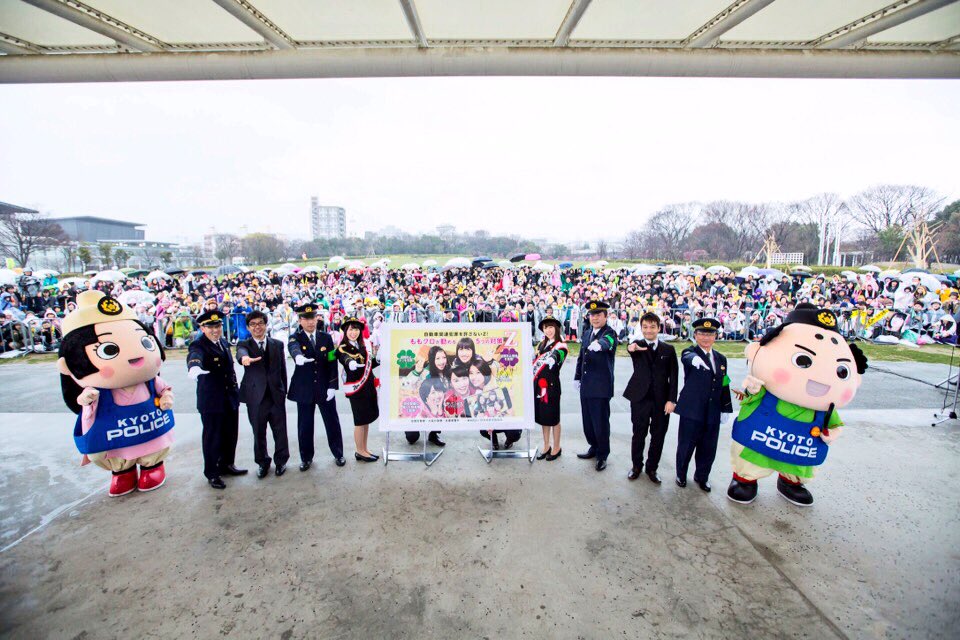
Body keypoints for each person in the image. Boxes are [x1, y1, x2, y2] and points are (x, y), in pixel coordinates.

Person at [187, 309, 246, 490]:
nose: (215, 330)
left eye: (218, 326)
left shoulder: (223, 343)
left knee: (230, 434)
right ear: (202, 328)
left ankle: (227, 464)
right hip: (212, 400)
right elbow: (194, 358)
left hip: (229, 397)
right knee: (213, 437)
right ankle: (212, 473)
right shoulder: (199, 345)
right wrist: (194, 369)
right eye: (210, 327)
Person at [673, 317, 733, 492]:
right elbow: (686, 357)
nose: (706, 338)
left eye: (710, 334)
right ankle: (681, 474)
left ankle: (702, 476)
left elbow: (724, 383)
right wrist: (694, 360)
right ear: (696, 335)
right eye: (701, 334)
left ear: (715, 336)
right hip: (692, 410)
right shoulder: (689, 352)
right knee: (686, 444)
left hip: (712, 411)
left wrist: (725, 407)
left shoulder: (721, 359)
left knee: (708, 447)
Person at [287, 302, 345, 470]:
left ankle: (338, 453)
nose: (310, 322)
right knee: (305, 425)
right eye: (306, 319)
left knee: (332, 422)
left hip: (324, 387)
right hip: (304, 389)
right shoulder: (295, 337)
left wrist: (333, 386)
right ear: (299, 321)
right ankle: (306, 458)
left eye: (312, 318)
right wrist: (297, 356)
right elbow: (293, 347)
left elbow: (332, 361)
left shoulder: (326, 338)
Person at [623, 312, 678, 484]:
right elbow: (630, 349)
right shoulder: (637, 346)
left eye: (652, 327)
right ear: (641, 328)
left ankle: (652, 468)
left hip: (661, 400)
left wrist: (672, 400)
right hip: (640, 398)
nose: (649, 330)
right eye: (645, 327)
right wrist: (630, 348)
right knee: (638, 433)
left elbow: (674, 377)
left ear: (658, 328)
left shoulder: (668, 350)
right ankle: (636, 466)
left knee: (658, 435)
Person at [237, 310, 290, 479]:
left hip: (276, 395)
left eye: (260, 323)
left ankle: (281, 461)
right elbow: (241, 355)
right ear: (248, 327)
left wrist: (284, 391)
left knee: (280, 430)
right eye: (253, 324)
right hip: (255, 397)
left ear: (266, 325)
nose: (257, 327)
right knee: (258, 432)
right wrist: (244, 359)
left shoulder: (277, 344)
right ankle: (262, 462)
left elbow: (282, 370)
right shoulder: (244, 344)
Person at [575, 300, 617, 471]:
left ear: (606, 316)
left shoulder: (610, 333)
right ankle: (593, 447)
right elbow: (581, 357)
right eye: (592, 315)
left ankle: (602, 454)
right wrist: (577, 377)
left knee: (600, 422)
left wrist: (600, 344)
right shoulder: (587, 333)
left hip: (600, 387)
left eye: (599, 315)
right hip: (586, 385)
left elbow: (609, 342)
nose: (595, 318)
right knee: (588, 422)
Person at [336, 316, 380, 462]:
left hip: (367, 385)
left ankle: (364, 448)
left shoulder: (363, 345)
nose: (353, 332)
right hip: (356, 388)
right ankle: (359, 450)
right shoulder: (343, 347)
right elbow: (343, 357)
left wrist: (377, 360)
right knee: (360, 420)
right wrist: (350, 363)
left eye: (356, 329)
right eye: (350, 329)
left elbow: (368, 364)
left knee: (366, 419)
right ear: (345, 331)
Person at [533, 315, 567, 461]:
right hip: (539, 385)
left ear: (556, 328)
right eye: (546, 328)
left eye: (551, 327)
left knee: (554, 417)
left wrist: (554, 358)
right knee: (543, 417)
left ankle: (557, 447)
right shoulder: (541, 344)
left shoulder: (561, 345)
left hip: (551, 386)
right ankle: (546, 446)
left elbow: (559, 354)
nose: (548, 330)